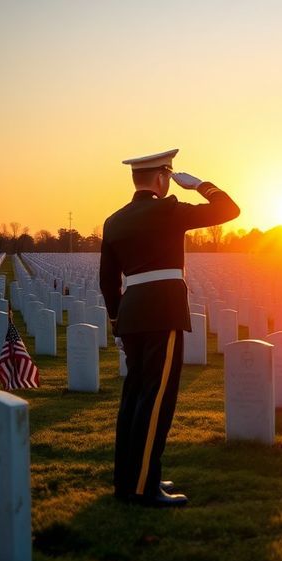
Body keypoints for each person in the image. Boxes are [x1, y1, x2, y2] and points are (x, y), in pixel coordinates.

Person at [99, 148, 240, 507]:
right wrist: (200, 185)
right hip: (162, 311)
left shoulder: (114, 220)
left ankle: (126, 480)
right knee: (156, 400)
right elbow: (229, 210)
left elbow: (107, 280)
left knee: (134, 398)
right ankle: (145, 486)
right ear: (163, 178)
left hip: (131, 314)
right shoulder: (169, 209)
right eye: (170, 176)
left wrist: (117, 319)